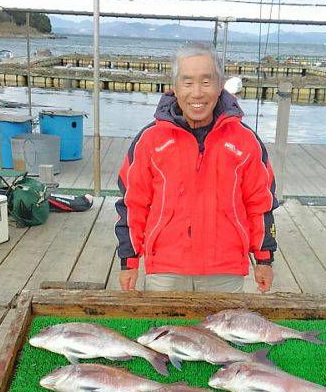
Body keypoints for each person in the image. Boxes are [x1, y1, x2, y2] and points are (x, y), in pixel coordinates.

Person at [115, 42, 278, 293]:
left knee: (222, 334)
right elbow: (132, 203)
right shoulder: (149, 140)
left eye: (206, 81)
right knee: (163, 334)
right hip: (165, 270)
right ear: (175, 87)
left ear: (220, 84)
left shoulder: (246, 141)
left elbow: (261, 203)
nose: (197, 93)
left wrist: (264, 258)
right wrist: (129, 260)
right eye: (187, 82)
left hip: (225, 270)